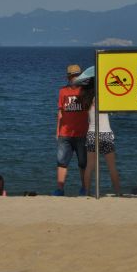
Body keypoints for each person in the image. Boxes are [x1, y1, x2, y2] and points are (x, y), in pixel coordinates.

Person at [80, 79, 121, 196]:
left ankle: (87, 192)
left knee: (90, 166)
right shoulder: (103, 97)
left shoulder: (86, 99)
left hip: (92, 134)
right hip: (105, 134)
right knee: (112, 167)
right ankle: (118, 192)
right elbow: (114, 109)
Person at [54, 64, 89, 196]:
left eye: (77, 76)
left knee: (83, 163)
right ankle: (60, 189)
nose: (75, 78)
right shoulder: (63, 91)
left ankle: (84, 188)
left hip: (82, 133)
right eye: (72, 76)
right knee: (62, 162)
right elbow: (60, 112)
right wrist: (57, 131)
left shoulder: (85, 91)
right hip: (65, 134)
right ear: (68, 78)